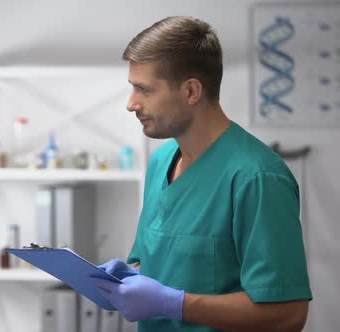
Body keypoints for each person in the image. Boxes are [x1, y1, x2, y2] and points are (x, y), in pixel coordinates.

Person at [92, 16, 311, 332]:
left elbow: (288, 314)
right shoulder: (161, 161)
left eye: (144, 89)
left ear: (191, 91)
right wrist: (126, 279)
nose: (131, 104)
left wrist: (174, 303)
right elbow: (160, 263)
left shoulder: (257, 178)